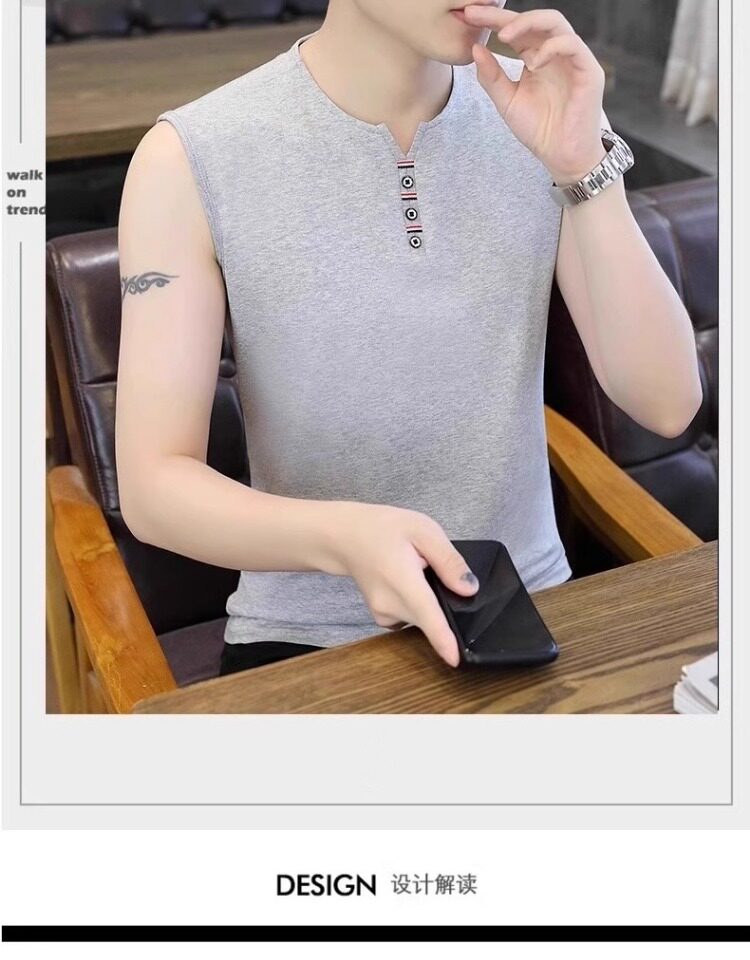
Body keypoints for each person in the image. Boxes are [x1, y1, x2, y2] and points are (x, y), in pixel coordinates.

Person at [115, 1, 703, 677]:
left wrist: (582, 169)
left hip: (531, 612)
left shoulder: (547, 109)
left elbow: (666, 404)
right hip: (307, 641)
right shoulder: (190, 156)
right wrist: (344, 538)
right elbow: (155, 486)